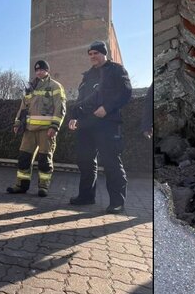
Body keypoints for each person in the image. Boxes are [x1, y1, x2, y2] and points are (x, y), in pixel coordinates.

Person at [68, 40, 132, 213]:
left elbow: (126, 93)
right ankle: (86, 196)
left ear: (104, 53)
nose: (93, 57)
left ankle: (117, 202)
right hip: (86, 125)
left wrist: (107, 108)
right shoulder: (87, 76)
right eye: (90, 54)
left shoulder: (117, 70)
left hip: (108, 124)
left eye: (96, 53)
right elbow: (80, 99)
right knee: (85, 161)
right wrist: (74, 116)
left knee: (111, 162)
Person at [7, 60, 66, 197]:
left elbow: (60, 108)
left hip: (47, 130)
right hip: (29, 130)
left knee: (45, 160)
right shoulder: (30, 87)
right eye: (37, 70)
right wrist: (17, 123)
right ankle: (21, 185)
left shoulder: (55, 86)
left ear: (47, 70)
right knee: (23, 158)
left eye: (42, 70)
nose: (39, 72)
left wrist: (55, 127)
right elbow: (23, 107)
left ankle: (43, 187)